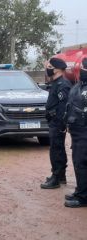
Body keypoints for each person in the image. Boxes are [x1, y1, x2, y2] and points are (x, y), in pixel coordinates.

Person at [41, 57, 72, 189]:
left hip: (57, 123)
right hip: (54, 122)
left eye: (50, 68)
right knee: (57, 148)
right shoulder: (56, 82)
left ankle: (56, 177)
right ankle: (60, 176)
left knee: (56, 150)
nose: (48, 70)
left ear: (58, 70)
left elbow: (63, 107)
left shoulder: (63, 85)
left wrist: (60, 124)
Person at [64, 58, 87, 208]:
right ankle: (81, 191)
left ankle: (83, 197)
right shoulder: (79, 86)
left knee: (82, 163)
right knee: (79, 163)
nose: (83, 71)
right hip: (77, 131)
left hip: (84, 131)